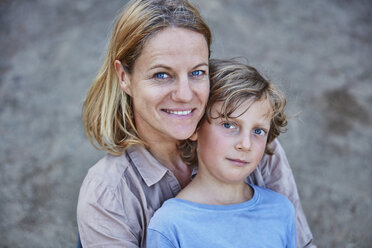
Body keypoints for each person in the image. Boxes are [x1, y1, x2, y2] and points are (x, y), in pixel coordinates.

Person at [76, 0, 314, 247]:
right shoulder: (107, 194)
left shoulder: (260, 149)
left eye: (197, 72)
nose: (185, 94)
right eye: (161, 75)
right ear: (124, 77)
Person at [146, 58, 296, 247]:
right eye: (228, 125)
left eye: (258, 131)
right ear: (195, 127)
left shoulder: (281, 211)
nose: (246, 144)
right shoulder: (170, 225)